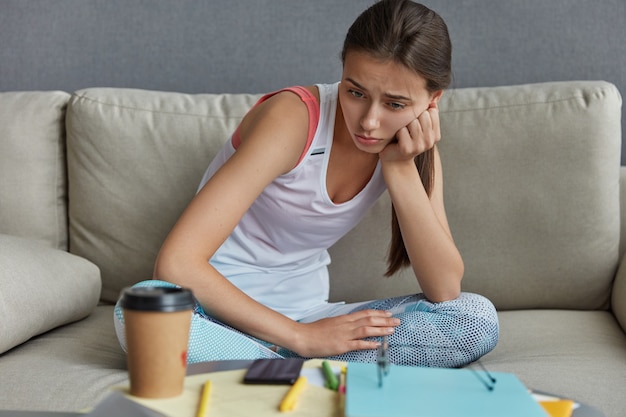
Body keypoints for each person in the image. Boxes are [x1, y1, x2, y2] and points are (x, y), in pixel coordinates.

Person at [114, 0, 498, 367]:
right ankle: (307, 364)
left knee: (473, 318)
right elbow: (176, 264)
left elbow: (445, 289)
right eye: (355, 92)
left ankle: (272, 367)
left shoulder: (411, 148)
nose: (368, 121)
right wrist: (301, 338)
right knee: (145, 313)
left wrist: (398, 169)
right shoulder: (294, 119)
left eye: (395, 104)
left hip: (311, 315)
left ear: (433, 100)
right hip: (213, 314)